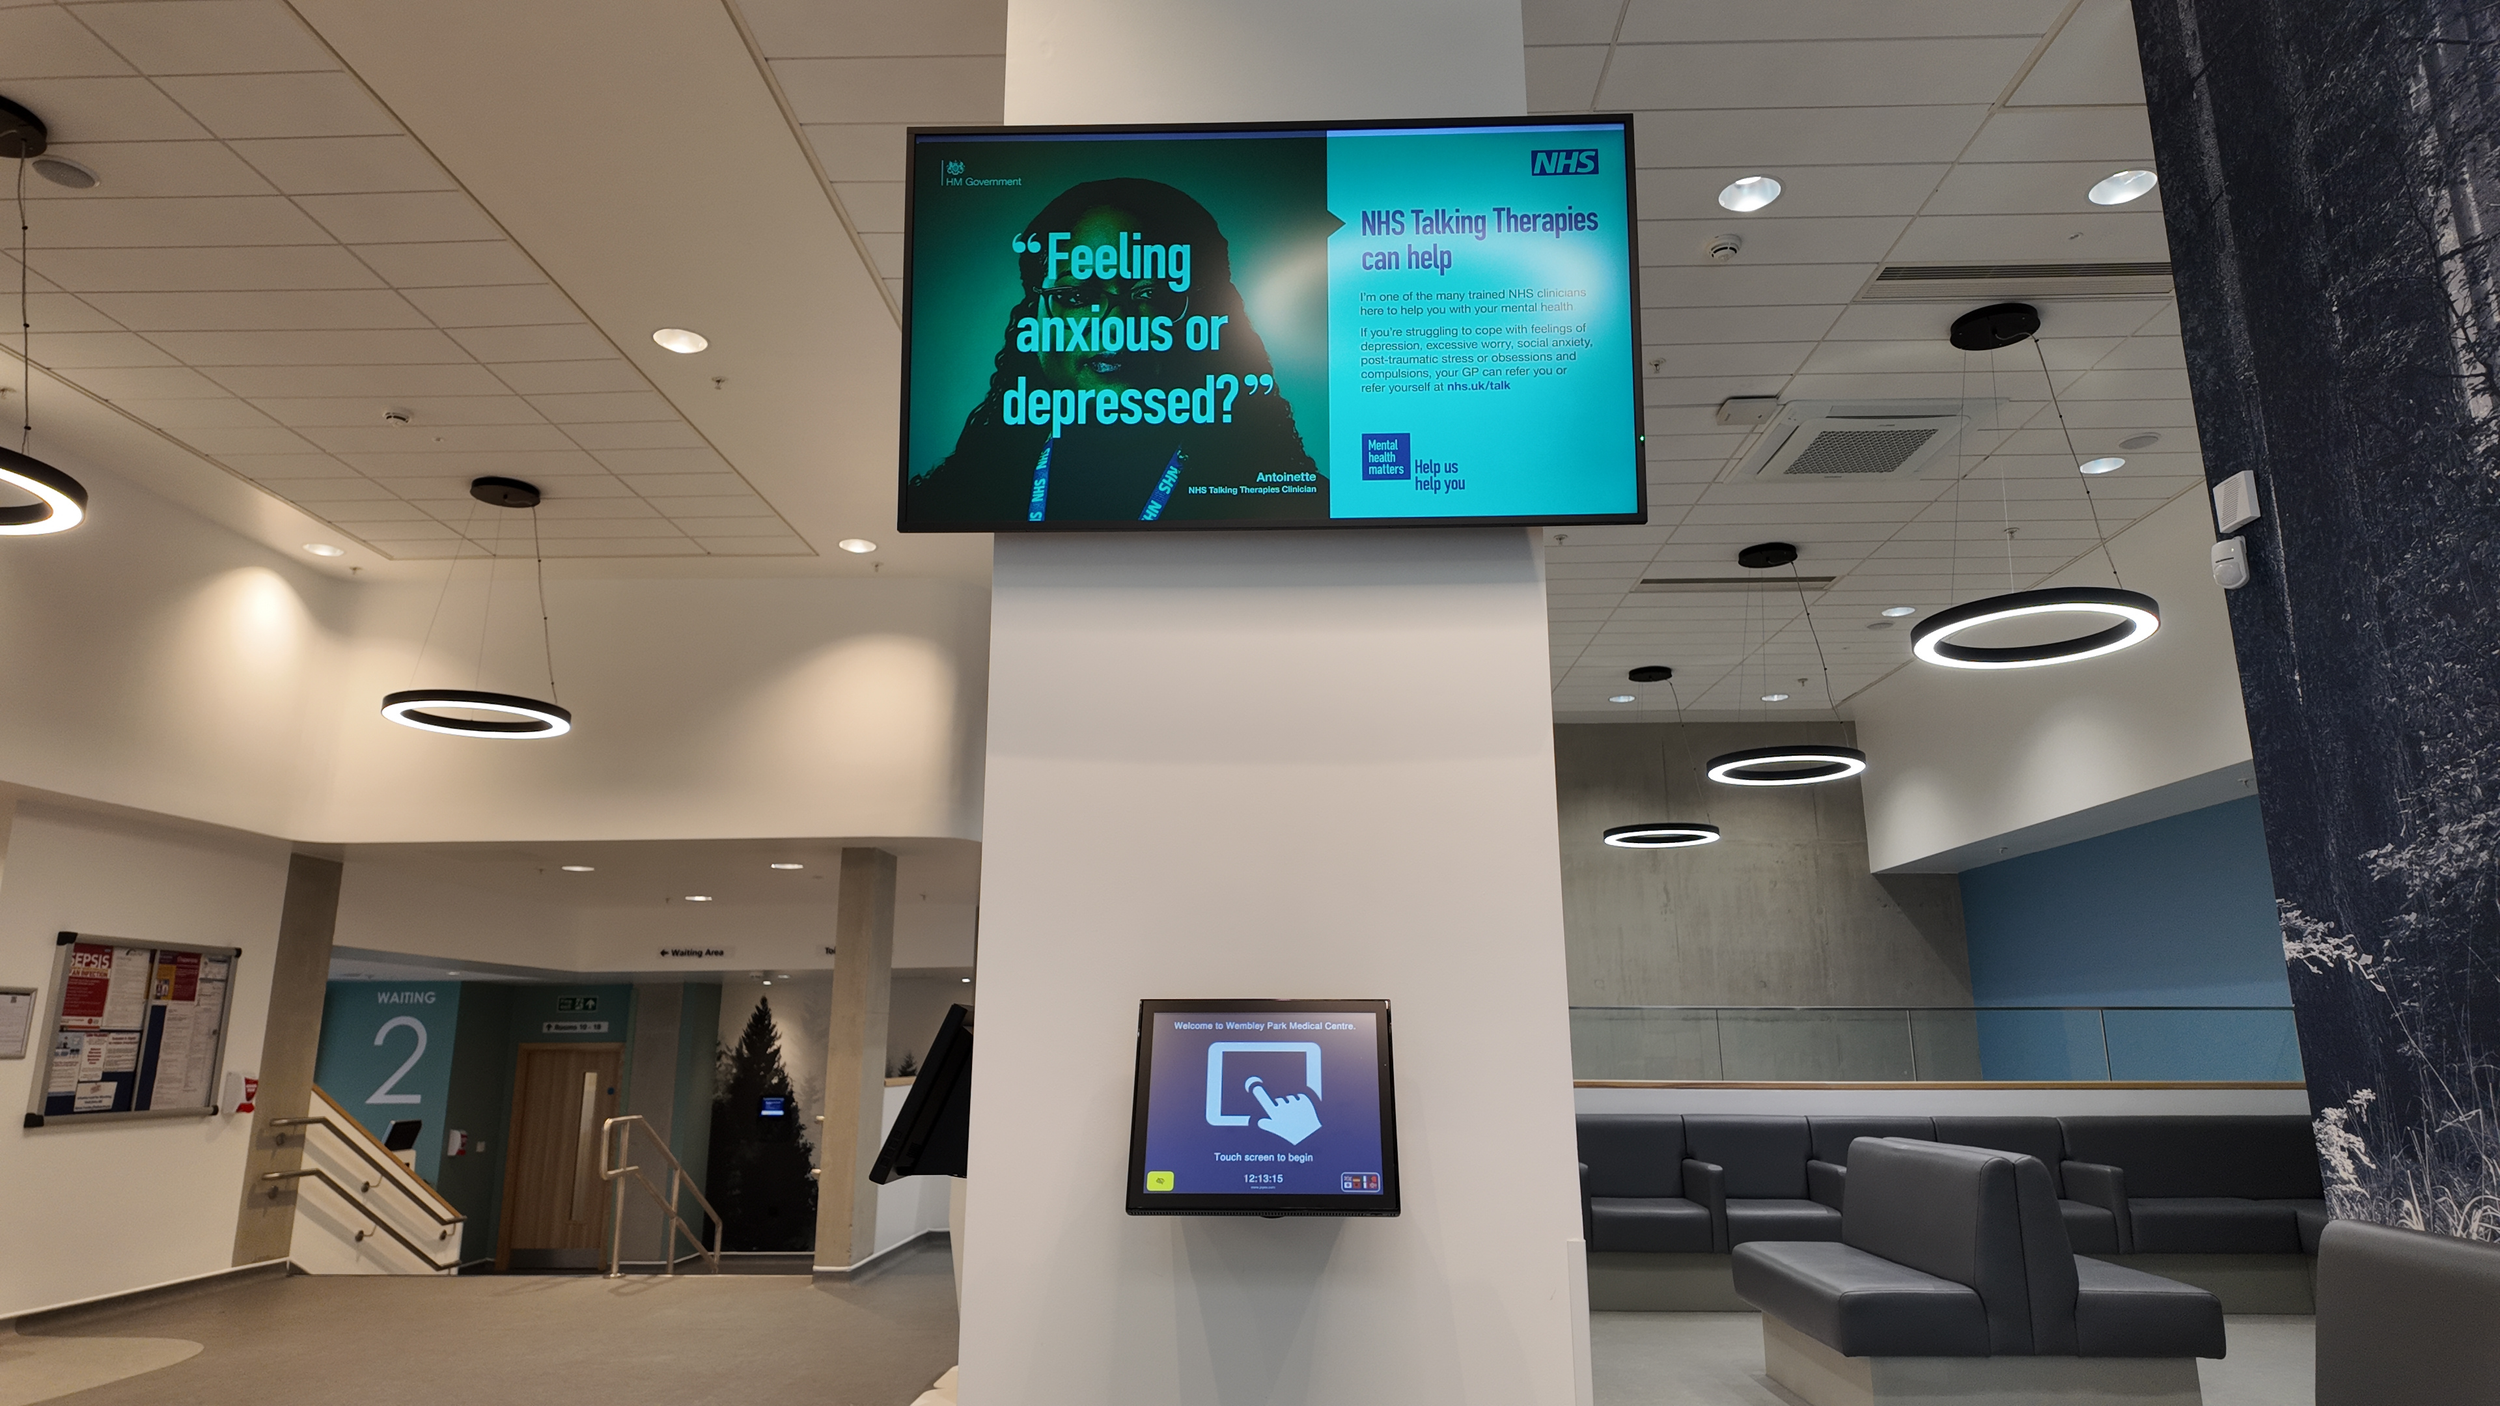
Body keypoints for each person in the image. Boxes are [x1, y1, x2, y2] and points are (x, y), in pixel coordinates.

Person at [909, 178, 1322, 526]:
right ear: (1033, 315)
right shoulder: (950, 503)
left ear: (1208, 314)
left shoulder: (1291, 504)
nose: (1115, 324)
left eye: (1150, 294)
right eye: (1076, 295)